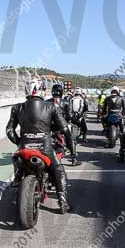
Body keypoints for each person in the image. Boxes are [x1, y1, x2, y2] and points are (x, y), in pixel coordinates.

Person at [7, 78, 77, 213]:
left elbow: (9, 130)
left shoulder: (16, 107)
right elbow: (65, 129)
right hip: (45, 149)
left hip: (24, 148)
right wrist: (70, 145)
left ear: (27, 90)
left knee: (17, 162)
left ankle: (17, 178)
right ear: (42, 90)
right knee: (58, 170)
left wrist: (19, 142)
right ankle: (62, 202)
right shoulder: (51, 106)